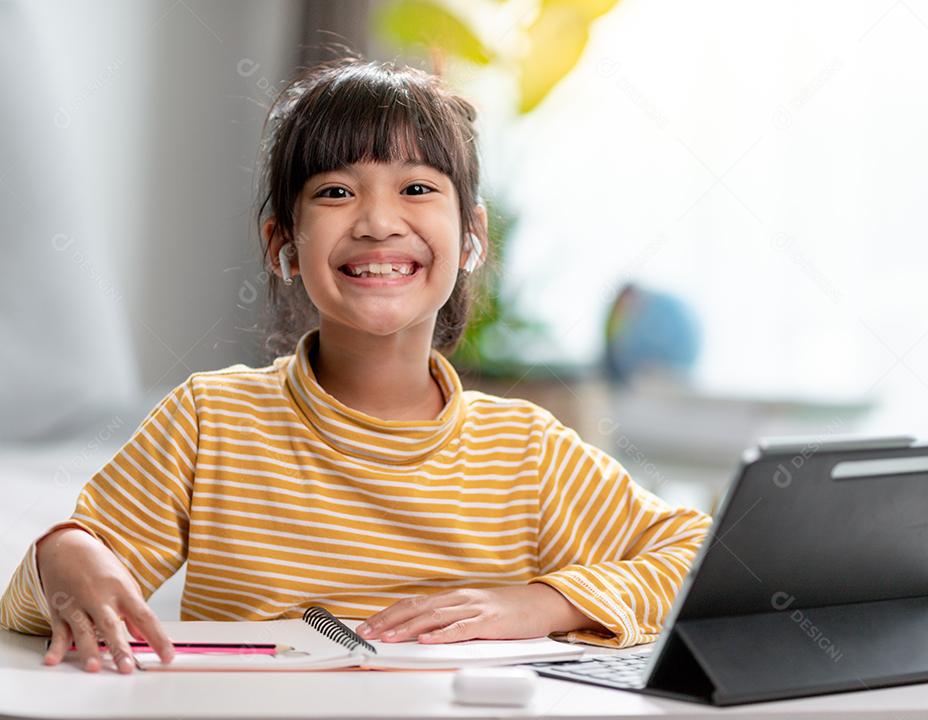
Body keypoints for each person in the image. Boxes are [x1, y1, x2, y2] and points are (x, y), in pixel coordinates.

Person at [0, 55, 712, 675]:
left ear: (471, 237)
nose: (376, 220)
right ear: (283, 242)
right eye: (336, 192)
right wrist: (64, 555)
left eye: (417, 188)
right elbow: (37, 604)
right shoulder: (209, 419)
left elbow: (697, 555)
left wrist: (540, 603)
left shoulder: (526, 450)